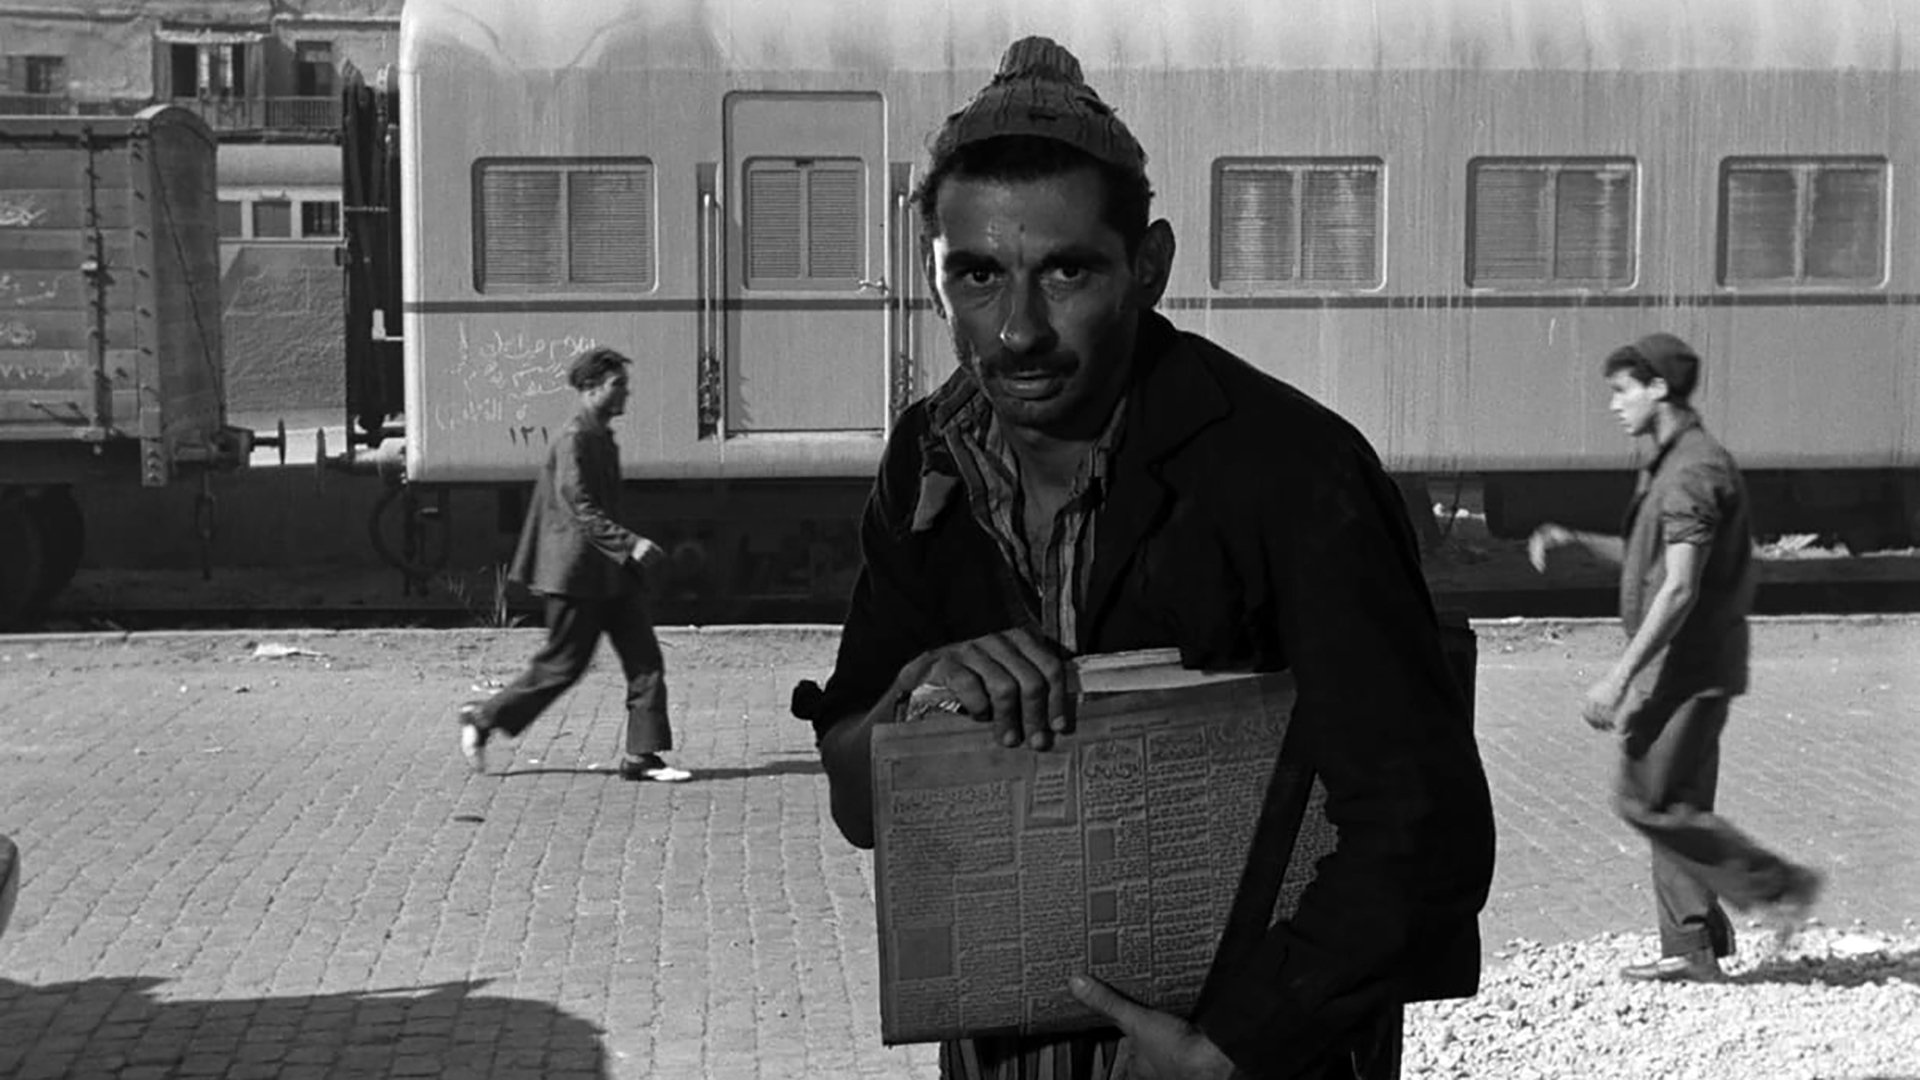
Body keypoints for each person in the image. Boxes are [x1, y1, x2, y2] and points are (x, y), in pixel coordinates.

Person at [791, 37, 1495, 1079]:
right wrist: (911, 699)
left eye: (1067, 272)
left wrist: (1232, 1048)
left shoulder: (1290, 469)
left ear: (1151, 267)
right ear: (932, 275)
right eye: (976, 275)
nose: (1017, 330)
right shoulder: (925, 461)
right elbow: (861, 809)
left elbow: (1424, 831)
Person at [1529, 332, 1823, 983]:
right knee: (1672, 801)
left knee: (1650, 801)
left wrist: (1618, 677)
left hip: (1688, 667)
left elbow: (1681, 586)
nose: (1614, 405)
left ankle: (1777, 889)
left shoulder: (1692, 471)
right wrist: (1579, 540)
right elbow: (1658, 559)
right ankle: (1695, 945)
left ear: (1658, 388)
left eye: (1622, 390)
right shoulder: (1670, 461)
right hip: (1689, 665)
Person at [457, 346, 690, 783]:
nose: (626, 393)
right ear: (591, 388)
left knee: (645, 661)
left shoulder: (599, 436)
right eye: (618, 385)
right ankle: (483, 718)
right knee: (562, 666)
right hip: (576, 575)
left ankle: (642, 756)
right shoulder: (574, 439)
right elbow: (580, 507)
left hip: (610, 574)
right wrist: (631, 544)